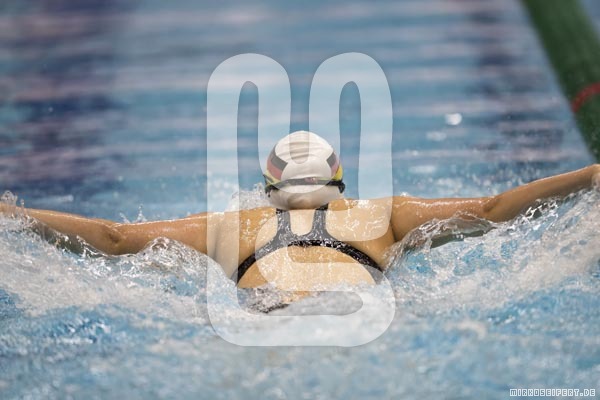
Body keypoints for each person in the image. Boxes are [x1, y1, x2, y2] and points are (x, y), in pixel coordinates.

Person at [1, 131, 599, 292]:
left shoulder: (234, 226)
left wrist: (10, 213)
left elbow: (111, 237)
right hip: (358, 308)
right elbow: (494, 208)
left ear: (268, 191)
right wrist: (591, 174)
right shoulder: (383, 215)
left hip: (269, 314)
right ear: (341, 185)